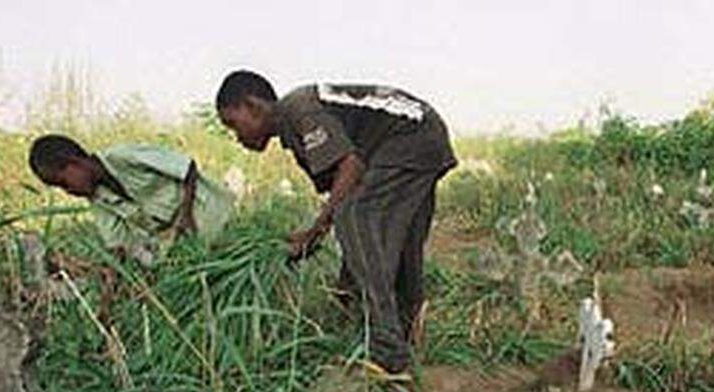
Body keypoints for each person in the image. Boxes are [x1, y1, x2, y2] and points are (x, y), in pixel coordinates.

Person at [215, 70, 457, 375]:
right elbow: (346, 185)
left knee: (354, 217)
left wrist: (315, 229)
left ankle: (388, 351)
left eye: (234, 124)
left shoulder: (298, 110)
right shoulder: (297, 120)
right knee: (398, 234)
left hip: (410, 137)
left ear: (253, 106)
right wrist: (323, 247)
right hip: (423, 135)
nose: (237, 137)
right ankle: (406, 324)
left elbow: (350, 169)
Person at [27, 135, 233, 257]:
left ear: (74, 162)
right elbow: (117, 247)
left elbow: (187, 168)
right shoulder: (99, 200)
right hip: (190, 243)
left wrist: (186, 215)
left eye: (64, 183)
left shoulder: (124, 156)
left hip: (212, 214)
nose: (68, 192)